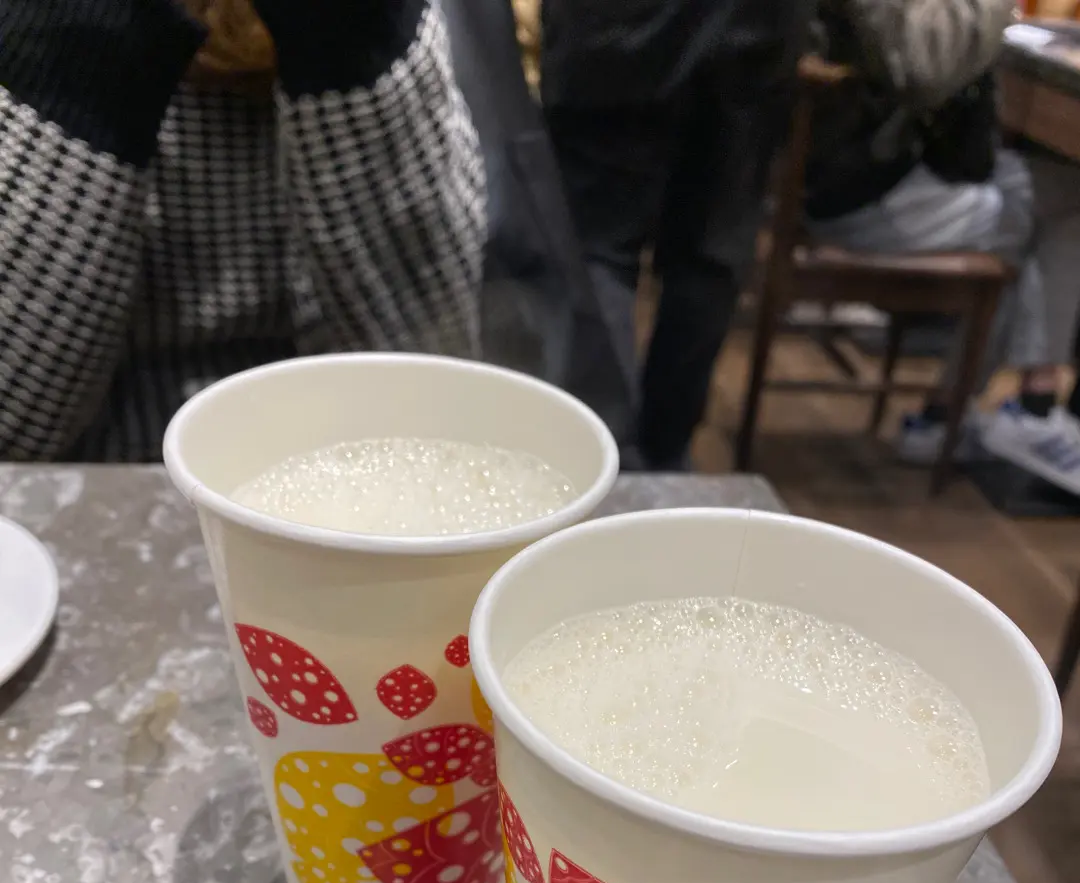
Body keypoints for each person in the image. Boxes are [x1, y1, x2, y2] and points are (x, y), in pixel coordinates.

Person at [0, 0, 486, 462]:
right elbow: (12, 432)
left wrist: (355, 29)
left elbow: (431, 376)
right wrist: (78, 38)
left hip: (348, 463)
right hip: (102, 475)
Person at [806, 0, 1080, 492]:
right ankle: (1028, 408)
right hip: (860, 192)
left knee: (1048, 197)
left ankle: (950, 415)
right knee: (1040, 213)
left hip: (868, 173)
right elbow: (925, 67)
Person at [541, 0, 810, 471]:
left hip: (611, 31)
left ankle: (608, 456)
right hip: (755, 24)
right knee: (710, 256)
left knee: (600, 249)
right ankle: (664, 459)